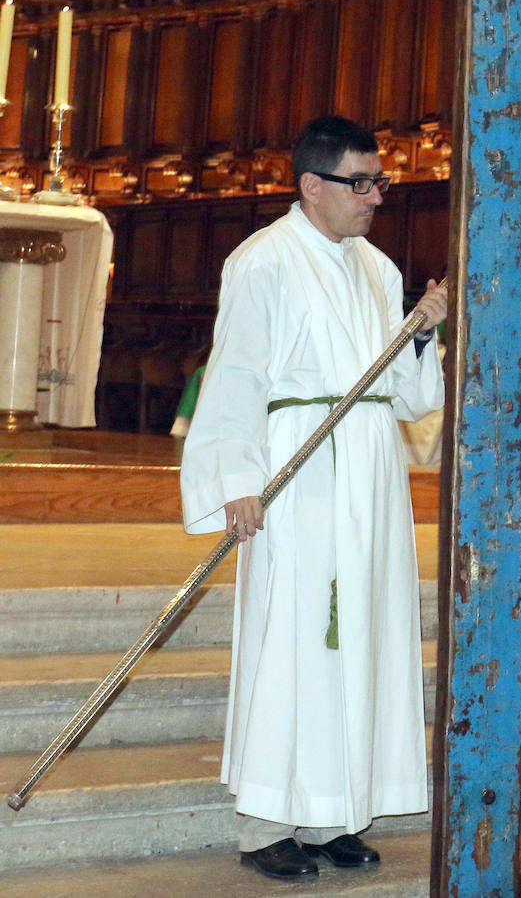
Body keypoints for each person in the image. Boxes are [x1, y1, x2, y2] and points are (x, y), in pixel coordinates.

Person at [180, 116, 446, 882]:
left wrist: (422, 335)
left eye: (378, 183)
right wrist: (237, 481)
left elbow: (400, 396)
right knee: (295, 639)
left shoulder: (379, 268)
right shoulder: (261, 261)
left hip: (369, 471)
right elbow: (235, 376)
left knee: (359, 636)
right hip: (296, 475)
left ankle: (334, 812)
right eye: (359, 183)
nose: (374, 198)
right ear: (311, 186)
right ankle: (267, 823)